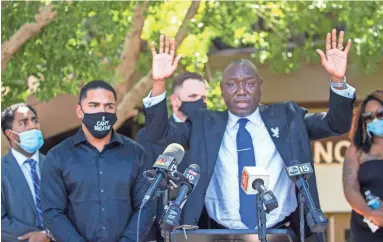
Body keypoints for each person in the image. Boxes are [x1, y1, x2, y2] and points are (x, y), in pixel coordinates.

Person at [142, 30, 356, 241]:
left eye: (250, 83)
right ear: (221, 89)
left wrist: (337, 80)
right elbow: (158, 133)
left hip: (281, 231)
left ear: (261, 86)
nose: (241, 90)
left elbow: (335, 124)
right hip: (217, 232)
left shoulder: (289, 117)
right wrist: (159, 82)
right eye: (232, 84)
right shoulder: (204, 124)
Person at [40, 80, 155, 242]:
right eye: (94, 105)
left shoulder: (136, 154)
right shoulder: (58, 157)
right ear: (80, 111)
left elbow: (145, 207)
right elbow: (53, 213)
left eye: (109, 106)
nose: (102, 111)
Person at [136, 72, 208, 241]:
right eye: (193, 96)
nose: (201, 102)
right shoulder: (147, 136)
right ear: (175, 100)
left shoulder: (208, 134)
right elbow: (142, 189)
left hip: (203, 230)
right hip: (162, 231)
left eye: (204, 97)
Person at [1, 103, 53, 242]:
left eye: (35, 120)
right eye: (24, 123)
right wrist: (35, 238)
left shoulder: (56, 165)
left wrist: (48, 235)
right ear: (10, 134)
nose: (33, 126)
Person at [343, 90, 383, 242]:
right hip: (366, 229)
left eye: (380, 114)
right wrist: (371, 213)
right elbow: (350, 188)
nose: (375, 120)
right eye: (369, 117)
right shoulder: (356, 150)